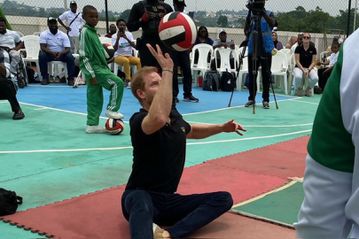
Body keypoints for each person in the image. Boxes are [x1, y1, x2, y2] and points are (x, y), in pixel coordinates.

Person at [122, 43, 245, 239]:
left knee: (223, 199)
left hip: (168, 201)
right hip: (139, 195)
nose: (162, 85)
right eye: (155, 84)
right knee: (140, 201)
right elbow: (158, 119)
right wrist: (168, 70)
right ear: (141, 94)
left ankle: (170, 234)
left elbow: (190, 131)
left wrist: (221, 128)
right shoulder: (138, 121)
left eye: (162, 81)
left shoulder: (174, 116)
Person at [295, 28, 359, 239]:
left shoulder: (353, 53)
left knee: (311, 75)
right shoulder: (352, 53)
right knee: (301, 74)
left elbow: (319, 221)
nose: (306, 39)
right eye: (304, 37)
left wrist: (309, 68)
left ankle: (306, 87)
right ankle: (301, 89)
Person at [79, 5, 125, 134]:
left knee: (94, 97)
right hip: (95, 69)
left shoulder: (93, 32)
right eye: (91, 16)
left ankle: (92, 124)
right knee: (117, 82)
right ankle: (112, 109)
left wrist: (107, 58)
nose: (94, 19)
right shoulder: (85, 32)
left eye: (96, 16)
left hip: (99, 67)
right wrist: (91, 74)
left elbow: (98, 51)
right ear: (84, 17)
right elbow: (83, 54)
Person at [243, 6, 276, 109]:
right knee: (252, 74)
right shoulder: (251, 14)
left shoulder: (269, 13)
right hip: (253, 47)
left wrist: (263, 13)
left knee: (266, 75)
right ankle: (251, 98)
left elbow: (272, 24)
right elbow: (246, 30)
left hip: (265, 47)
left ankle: (266, 99)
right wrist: (250, 13)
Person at [171, 0, 199, 103]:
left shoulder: (187, 18)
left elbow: (193, 31)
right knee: (173, 72)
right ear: (174, 5)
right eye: (178, 5)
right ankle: (173, 95)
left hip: (184, 49)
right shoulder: (169, 17)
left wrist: (191, 45)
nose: (180, 7)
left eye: (182, 5)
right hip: (173, 48)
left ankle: (188, 94)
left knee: (187, 70)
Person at [112, 18, 141, 84]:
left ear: (125, 26)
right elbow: (115, 49)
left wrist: (126, 38)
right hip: (118, 56)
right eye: (120, 25)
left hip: (129, 56)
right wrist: (118, 38)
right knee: (125, 60)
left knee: (139, 61)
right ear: (117, 26)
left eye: (124, 25)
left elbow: (134, 46)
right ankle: (128, 80)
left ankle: (139, 79)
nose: (122, 26)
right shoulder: (114, 36)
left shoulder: (129, 34)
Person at [0, 48, 24, 120]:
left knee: (5, 82)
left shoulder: (2, 53)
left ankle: (17, 110)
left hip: (8, 86)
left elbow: (6, 74)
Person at [293, 32, 318, 97]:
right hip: (299, 67)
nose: (306, 38)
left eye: (308, 37)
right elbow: (297, 61)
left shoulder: (313, 48)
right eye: (304, 37)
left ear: (310, 39)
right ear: (302, 39)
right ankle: (299, 88)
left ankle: (308, 88)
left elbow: (314, 62)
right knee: (298, 76)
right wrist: (303, 70)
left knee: (315, 78)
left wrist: (308, 69)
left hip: (309, 68)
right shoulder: (298, 48)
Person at [0, 17, 24, 84]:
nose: (1, 27)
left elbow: (21, 42)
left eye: (2, 26)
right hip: (1, 51)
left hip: (11, 50)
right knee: (4, 56)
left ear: (6, 26)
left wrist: (16, 49)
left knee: (16, 55)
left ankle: (12, 74)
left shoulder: (13, 33)